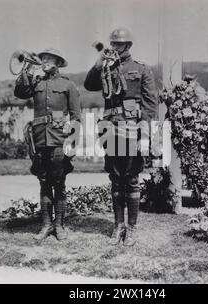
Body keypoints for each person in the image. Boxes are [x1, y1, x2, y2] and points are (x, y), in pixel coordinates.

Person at [84, 27, 158, 246]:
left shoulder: (141, 69)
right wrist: (99, 63)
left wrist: (145, 130)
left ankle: (132, 229)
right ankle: (118, 226)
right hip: (111, 129)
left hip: (133, 130)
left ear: (128, 46)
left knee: (132, 179)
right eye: (113, 43)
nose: (114, 47)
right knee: (116, 179)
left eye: (118, 44)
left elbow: (150, 103)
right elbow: (89, 85)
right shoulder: (106, 67)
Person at [15, 48, 81, 241]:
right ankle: (46, 225)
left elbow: (76, 116)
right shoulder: (36, 82)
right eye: (42, 59)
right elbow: (20, 92)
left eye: (49, 59)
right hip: (40, 139)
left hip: (60, 138)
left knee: (59, 182)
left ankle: (59, 225)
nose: (44, 62)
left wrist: (72, 140)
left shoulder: (67, 85)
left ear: (58, 63)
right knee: (44, 182)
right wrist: (26, 70)